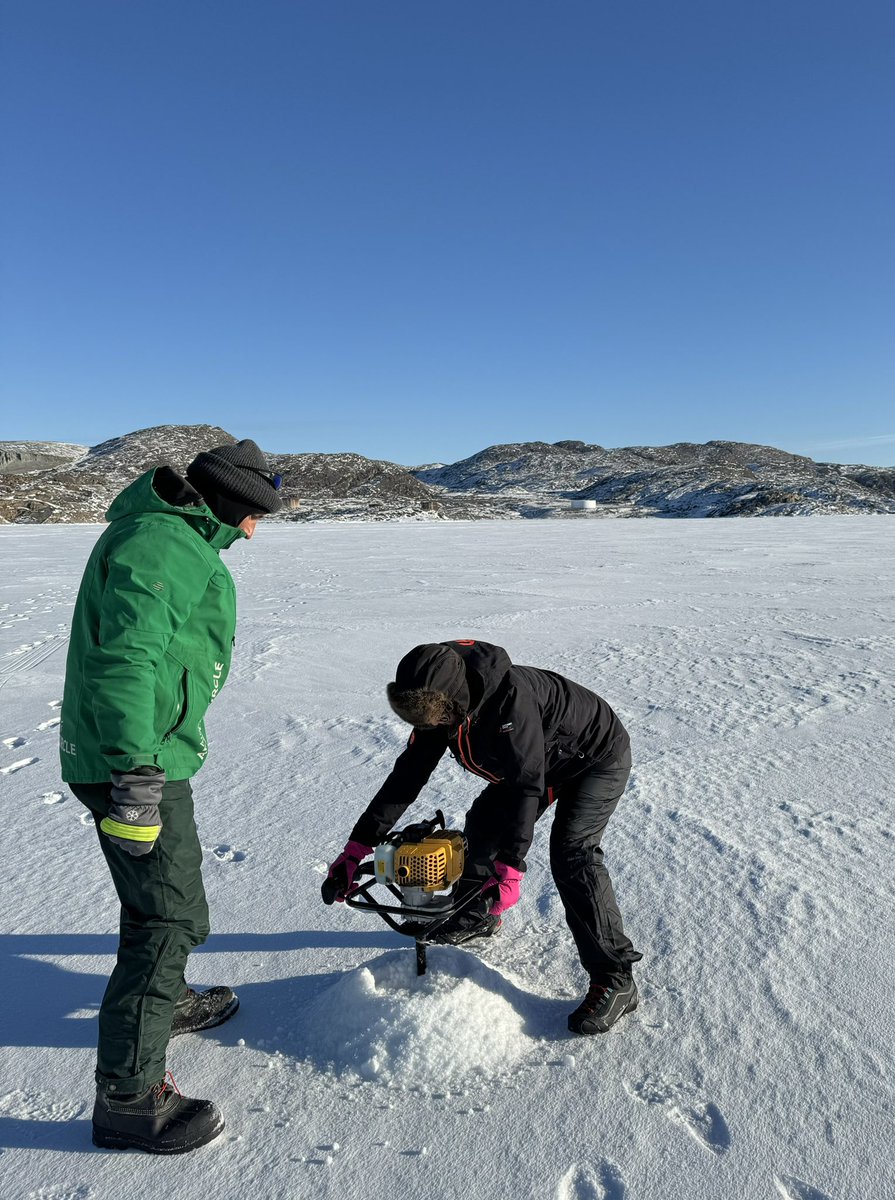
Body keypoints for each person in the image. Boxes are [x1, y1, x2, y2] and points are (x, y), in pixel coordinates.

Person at [59, 438, 282, 1154]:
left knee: (161, 905)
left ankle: (169, 1002)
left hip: (144, 755)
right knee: (168, 920)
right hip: (133, 762)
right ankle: (129, 1098)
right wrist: (135, 770)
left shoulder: (175, 538)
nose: (254, 530)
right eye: (253, 515)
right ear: (227, 503)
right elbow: (124, 657)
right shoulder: (163, 544)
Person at [327, 639, 641, 1035]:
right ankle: (477, 914)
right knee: (483, 823)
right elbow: (405, 779)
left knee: (572, 852)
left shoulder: (510, 703)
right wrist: (358, 846)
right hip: (541, 760)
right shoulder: (436, 708)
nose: (428, 728)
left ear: (453, 702)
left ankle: (615, 978)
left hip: (595, 756)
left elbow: (527, 787)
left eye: (433, 720)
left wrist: (511, 867)